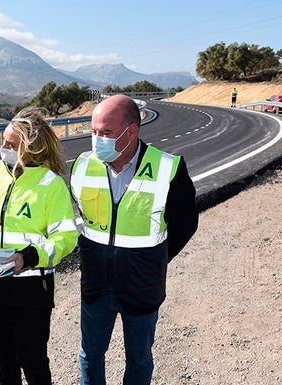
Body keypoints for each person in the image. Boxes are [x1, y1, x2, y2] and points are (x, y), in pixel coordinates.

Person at [70, 94, 199, 385]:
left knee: (139, 359)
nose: (97, 140)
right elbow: (81, 215)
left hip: (142, 285)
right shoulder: (81, 165)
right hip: (96, 283)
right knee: (90, 353)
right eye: (93, 132)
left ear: (131, 132)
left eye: (106, 133)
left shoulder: (168, 168)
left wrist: (153, 260)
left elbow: (185, 223)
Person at [0, 107, 78, 385]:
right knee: (3, 361)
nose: (3, 148)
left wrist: (29, 257)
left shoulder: (50, 185)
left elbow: (66, 237)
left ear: (31, 148)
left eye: (11, 144)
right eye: (3, 141)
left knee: (32, 361)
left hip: (31, 287)